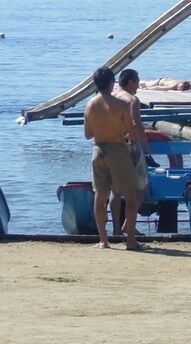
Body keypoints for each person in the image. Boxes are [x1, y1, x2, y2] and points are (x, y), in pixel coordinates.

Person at [84, 67, 142, 250]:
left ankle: (103, 240)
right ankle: (130, 240)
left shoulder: (90, 104)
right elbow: (132, 134)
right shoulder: (121, 105)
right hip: (118, 150)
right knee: (131, 195)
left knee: (100, 195)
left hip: (98, 149)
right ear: (112, 83)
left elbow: (87, 134)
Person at [111, 68, 148, 237]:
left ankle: (116, 230)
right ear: (131, 82)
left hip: (111, 145)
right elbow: (136, 124)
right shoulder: (132, 99)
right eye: (138, 81)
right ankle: (128, 226)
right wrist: (145, 147)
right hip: (129, 145)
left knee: (115, 191)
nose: (139, 85)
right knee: (141, 188)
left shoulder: (110, 97)